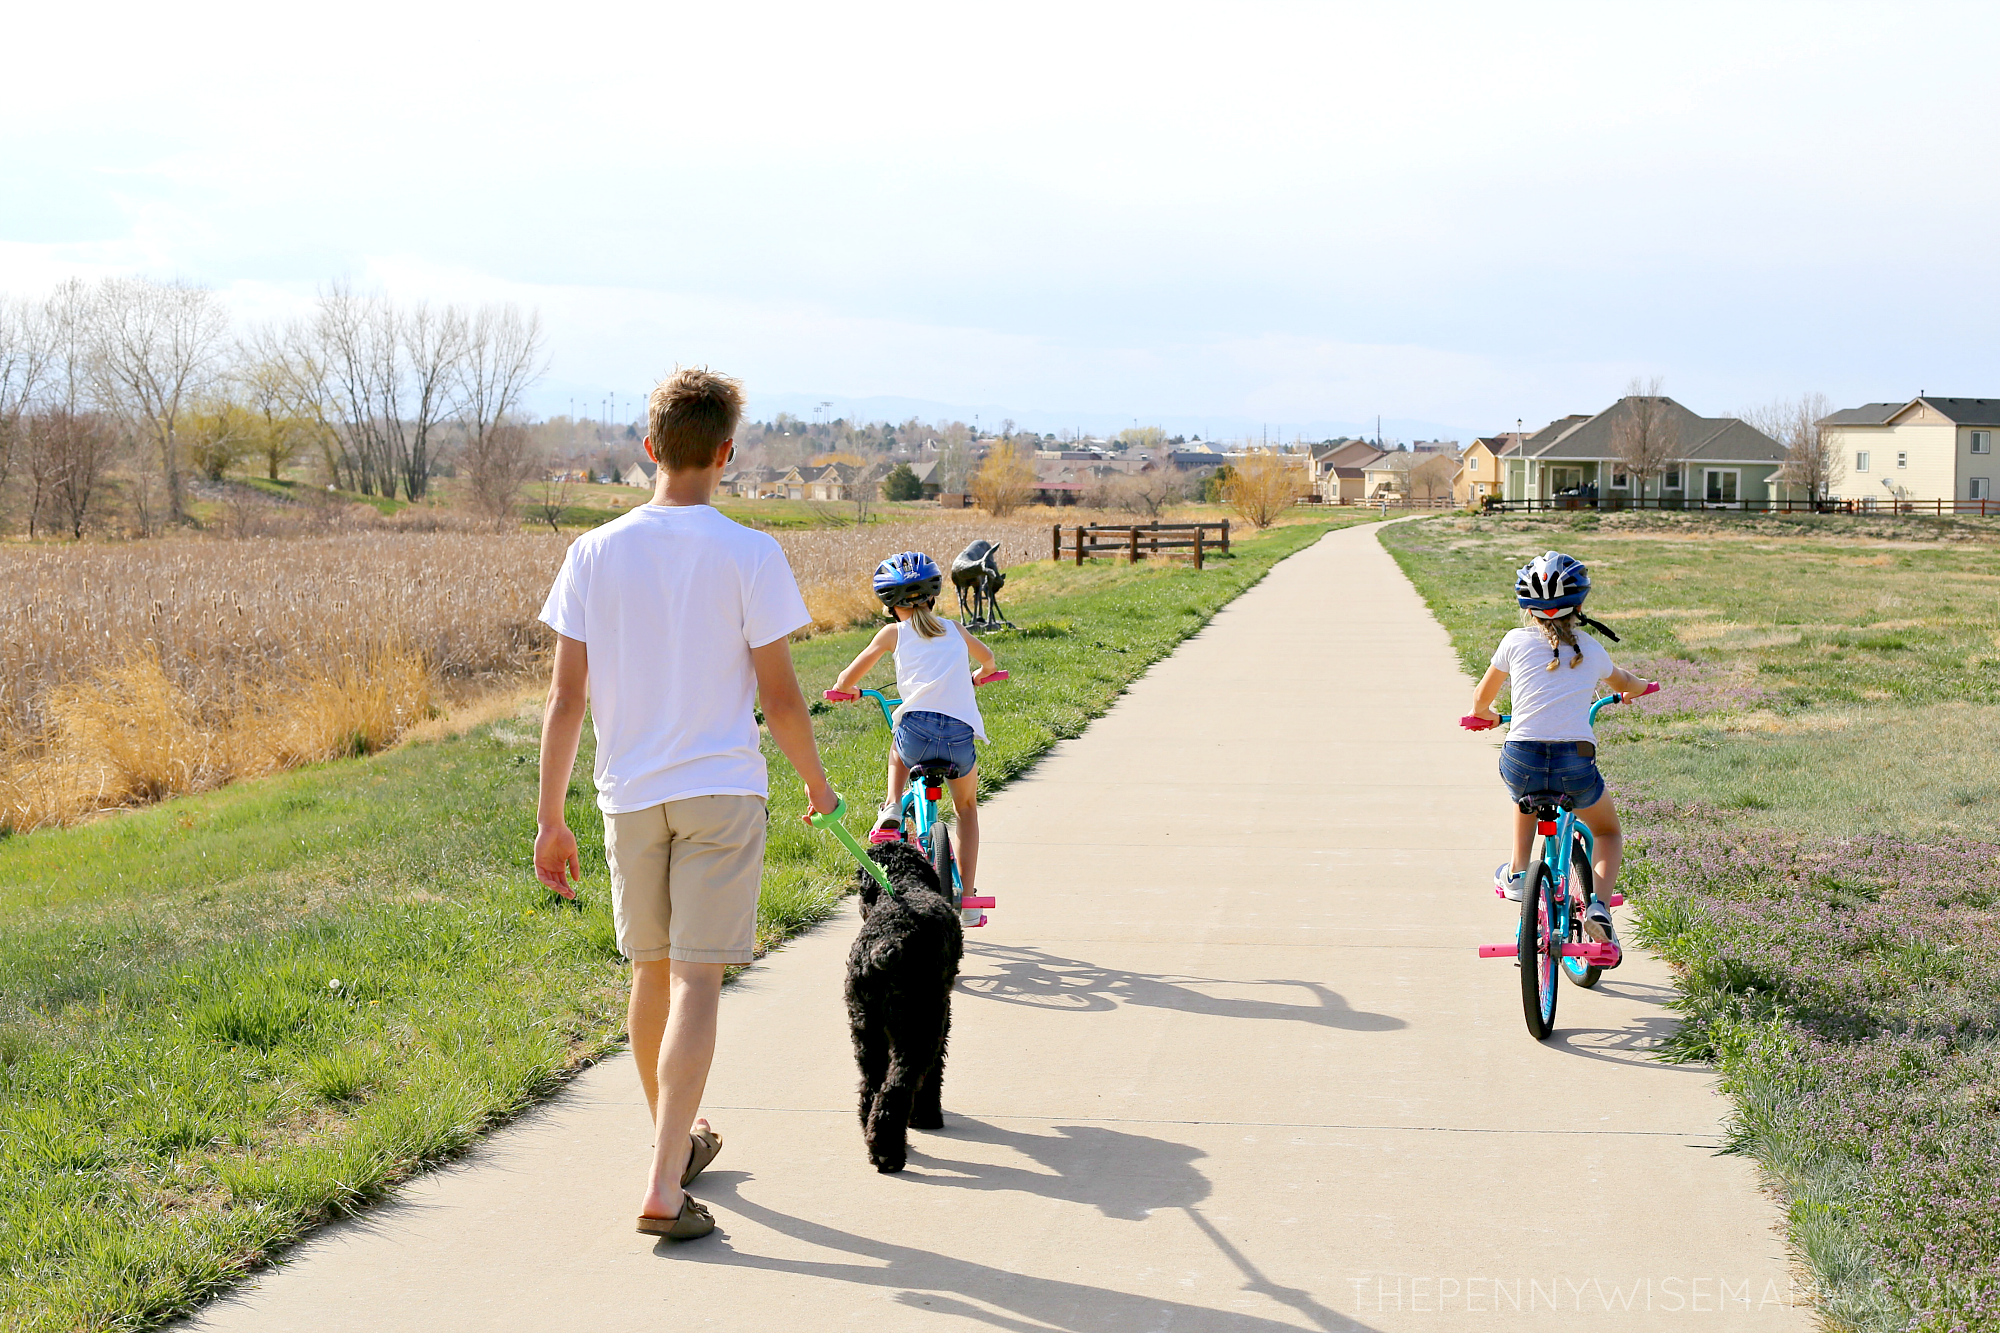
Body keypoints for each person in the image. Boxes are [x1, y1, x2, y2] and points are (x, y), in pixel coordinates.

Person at [533, 366, 839, 1242]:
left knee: (651, 973)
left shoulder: (592, 552)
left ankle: (674, 1139)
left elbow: (565, 700)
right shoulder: (751, 553)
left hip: (629, 795)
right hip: (720, 790)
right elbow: (780, 697)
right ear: (728, 453)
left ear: (649, 447)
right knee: (699, 979)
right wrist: (817, 782)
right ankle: (665, 1178)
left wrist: (551, 818)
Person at [1466, 551, 1654, 945]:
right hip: (1575, 762)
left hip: (1521, 758)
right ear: (1580, 605)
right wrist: (1642, 689)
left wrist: (1484, 714)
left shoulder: (1514, 642)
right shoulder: (1591, 649)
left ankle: (1519, 872)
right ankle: (1599, 907)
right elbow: (1625, 682)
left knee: (1526, 795)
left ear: (1528, 609)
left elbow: (1481, 700)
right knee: (1606, 831)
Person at [830, 551, 1000, 925]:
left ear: (891, 605)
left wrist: (848, 690)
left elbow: (847, 677)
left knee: (899, 742)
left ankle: (891, 806)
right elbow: (988, 658)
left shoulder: (893, 633)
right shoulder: (955, 629)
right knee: (967, 810)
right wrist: (981, 674)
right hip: (959, 737)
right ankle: (968, 900)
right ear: (933, 596)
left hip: (916, 733)